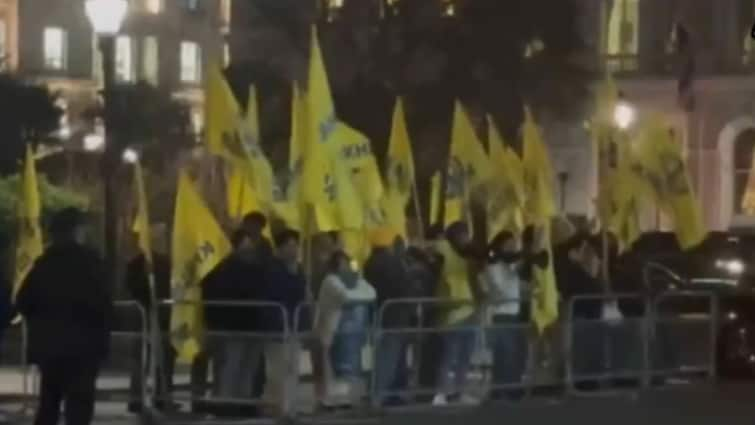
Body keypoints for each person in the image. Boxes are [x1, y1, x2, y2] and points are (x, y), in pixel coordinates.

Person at [15, 207, 113, 425]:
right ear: (76, 230)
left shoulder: (43, 265)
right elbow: (104, 304)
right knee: (79, 408)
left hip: (49, 348)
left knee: (48, 405)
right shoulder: (91, 262)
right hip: (84, 349)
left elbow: (23, 301)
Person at [201, 230, 267, 417]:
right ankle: (226, 403)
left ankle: (244, 402)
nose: (249, 248)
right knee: (231, 365)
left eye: (250, 245)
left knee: (248, 367)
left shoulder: (257, 268)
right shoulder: (223, 269)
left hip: (253, 325)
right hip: (231, 326)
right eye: (245, 244)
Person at [365, 229, 422, 406]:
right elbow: (404, 288)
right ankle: (384, 395)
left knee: (393, 357)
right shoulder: (394, 263)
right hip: (396, 315)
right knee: (391, 357)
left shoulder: (370, 262)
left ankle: (391, 393)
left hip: (385, 314)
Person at [314, 251, 376, 408]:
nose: (345, 266)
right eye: (342, 263)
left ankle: (342, 399)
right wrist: (356, 294)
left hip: (347, 332)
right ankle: (326, 400)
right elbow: (344, 296)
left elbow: (371, 293)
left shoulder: (356, 280)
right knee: (329, 367)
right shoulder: (330, 280)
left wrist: (355, 292)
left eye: (347, 263)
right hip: (331, 330)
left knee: (344, 367)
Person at [126, 224, 176, 413]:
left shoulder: (166, 262)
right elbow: (131, 289)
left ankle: (162, 396)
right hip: (143, 318)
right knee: (140, 359)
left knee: (164, 358)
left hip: (163, 318)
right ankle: (136, 398)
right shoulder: (136, 264)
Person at [258, 229, 307, 414]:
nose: (294, 250)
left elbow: (300, 295)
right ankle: (276, 405)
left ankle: (289, 405)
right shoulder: (272, 268)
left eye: (296, 245)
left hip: (293, 325)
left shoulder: (298, 269)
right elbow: (277, 294)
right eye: (290, 245)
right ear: (280, 248)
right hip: (276, 327)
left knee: (293, 368)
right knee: (278, 369)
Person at [433, 222, 478, 406]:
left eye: (467, 234)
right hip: (452, 313)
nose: (466, 238)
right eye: (462, 235)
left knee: (465, 357)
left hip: (469, 311)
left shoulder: (469, 256)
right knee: (448, 356)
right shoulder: (445, 251)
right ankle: (440, 392)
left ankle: (459, 392)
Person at [480, 231, 528, 401]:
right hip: (501, 315)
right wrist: (510, 269)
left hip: (514, 313)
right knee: (503, 355)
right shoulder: (493, 265)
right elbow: (499, 291)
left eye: (514, 245)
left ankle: (512, 388)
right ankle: (499, 390)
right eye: (508, 245)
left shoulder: (511, 266)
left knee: (513, 355)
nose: (513, 248)